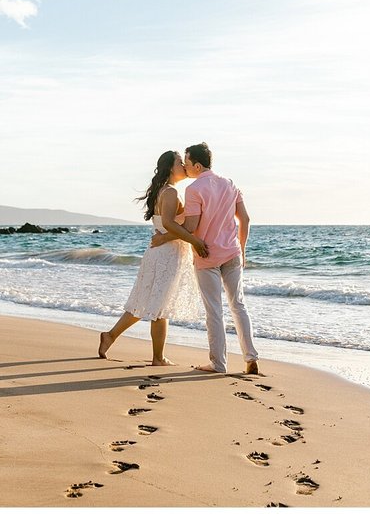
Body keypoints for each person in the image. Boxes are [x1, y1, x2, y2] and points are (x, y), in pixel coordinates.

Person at [152, 142, 259, 374]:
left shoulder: (194, 190)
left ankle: (218, 364)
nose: (185, 167)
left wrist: (165, 235)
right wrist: (243, 249)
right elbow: (245, 220)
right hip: (232, 253)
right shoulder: (229, 184)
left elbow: (191, 226)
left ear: (197, 166)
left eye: (187, 163)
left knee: (214, 310)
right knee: (238, 305)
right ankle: (250, 358)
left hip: (206, 255)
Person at [98, 150, 208, 366]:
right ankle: (158, 358)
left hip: (160, 252)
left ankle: (110, 336)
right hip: (167, 254)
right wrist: (194, 241)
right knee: (159, 306)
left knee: (147, 302)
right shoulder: (171, 193)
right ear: (170, 168)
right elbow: (168, 223)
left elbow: (167, 224)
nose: (184, 166)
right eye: (179, 163)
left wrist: (166, 237)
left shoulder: (165, 191)